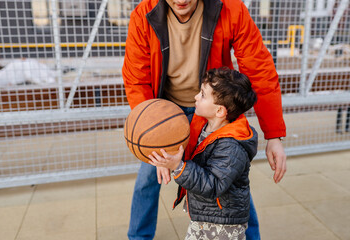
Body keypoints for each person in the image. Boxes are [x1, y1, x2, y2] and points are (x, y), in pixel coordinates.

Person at [122, 0, 287, 239]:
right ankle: (138, 236)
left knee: (229, 178)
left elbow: (258, 69)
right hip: (166, 113)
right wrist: (151, 133)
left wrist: (273, 135)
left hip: (212, 108)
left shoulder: (231, 9)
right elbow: (136, 78)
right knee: (149, 176)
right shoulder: (143, 14)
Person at [148, 68, 258, 240]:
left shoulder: (232, 146)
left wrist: (179, 167)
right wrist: (167, 158)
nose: (196, 97)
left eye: (203, 95)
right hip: (204, 217)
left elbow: (213, 185)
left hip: (223, 225)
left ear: (220, 111)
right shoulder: (203, 127)